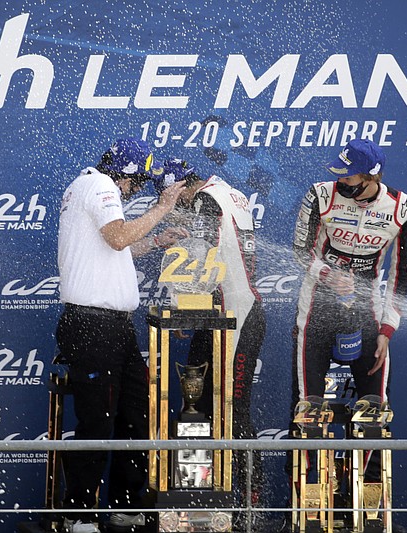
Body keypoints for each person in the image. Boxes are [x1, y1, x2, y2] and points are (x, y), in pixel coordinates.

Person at [56, 138, 186, 533]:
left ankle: (125, 505)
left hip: (114, 328)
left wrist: (159, 240)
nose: (134, 192)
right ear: (126, 175)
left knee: (134, 414)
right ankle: (79, 513)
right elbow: (117, 237)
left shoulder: (88, 187)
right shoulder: (100, 186)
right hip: (94, 325)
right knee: (97, 420)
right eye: (136, 183)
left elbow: (118, 248)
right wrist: (163, 208)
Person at [291, 139, 407, 481]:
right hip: (316, 306)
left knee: (374, 412)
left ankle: (369, 507)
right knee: (308, 410)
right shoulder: (320, 195)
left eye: (348, 178)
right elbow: (300, 251)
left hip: (368, 312)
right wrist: (327, 275)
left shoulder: (403, 209)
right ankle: (311, 507)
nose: (341, 182)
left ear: (371, 177)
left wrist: (387, 331)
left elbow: (401, 278)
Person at [155, 159, 267, 511]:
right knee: (199, 406)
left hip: (235, 315)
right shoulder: (226, 191)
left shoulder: (205, 200)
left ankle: (246, 503)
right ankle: (203, 497)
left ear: (180, 187)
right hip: (220, 314)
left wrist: (188, 303)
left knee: (232, 411)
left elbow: (205, 259)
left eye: (170, 197)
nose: (172, 205)